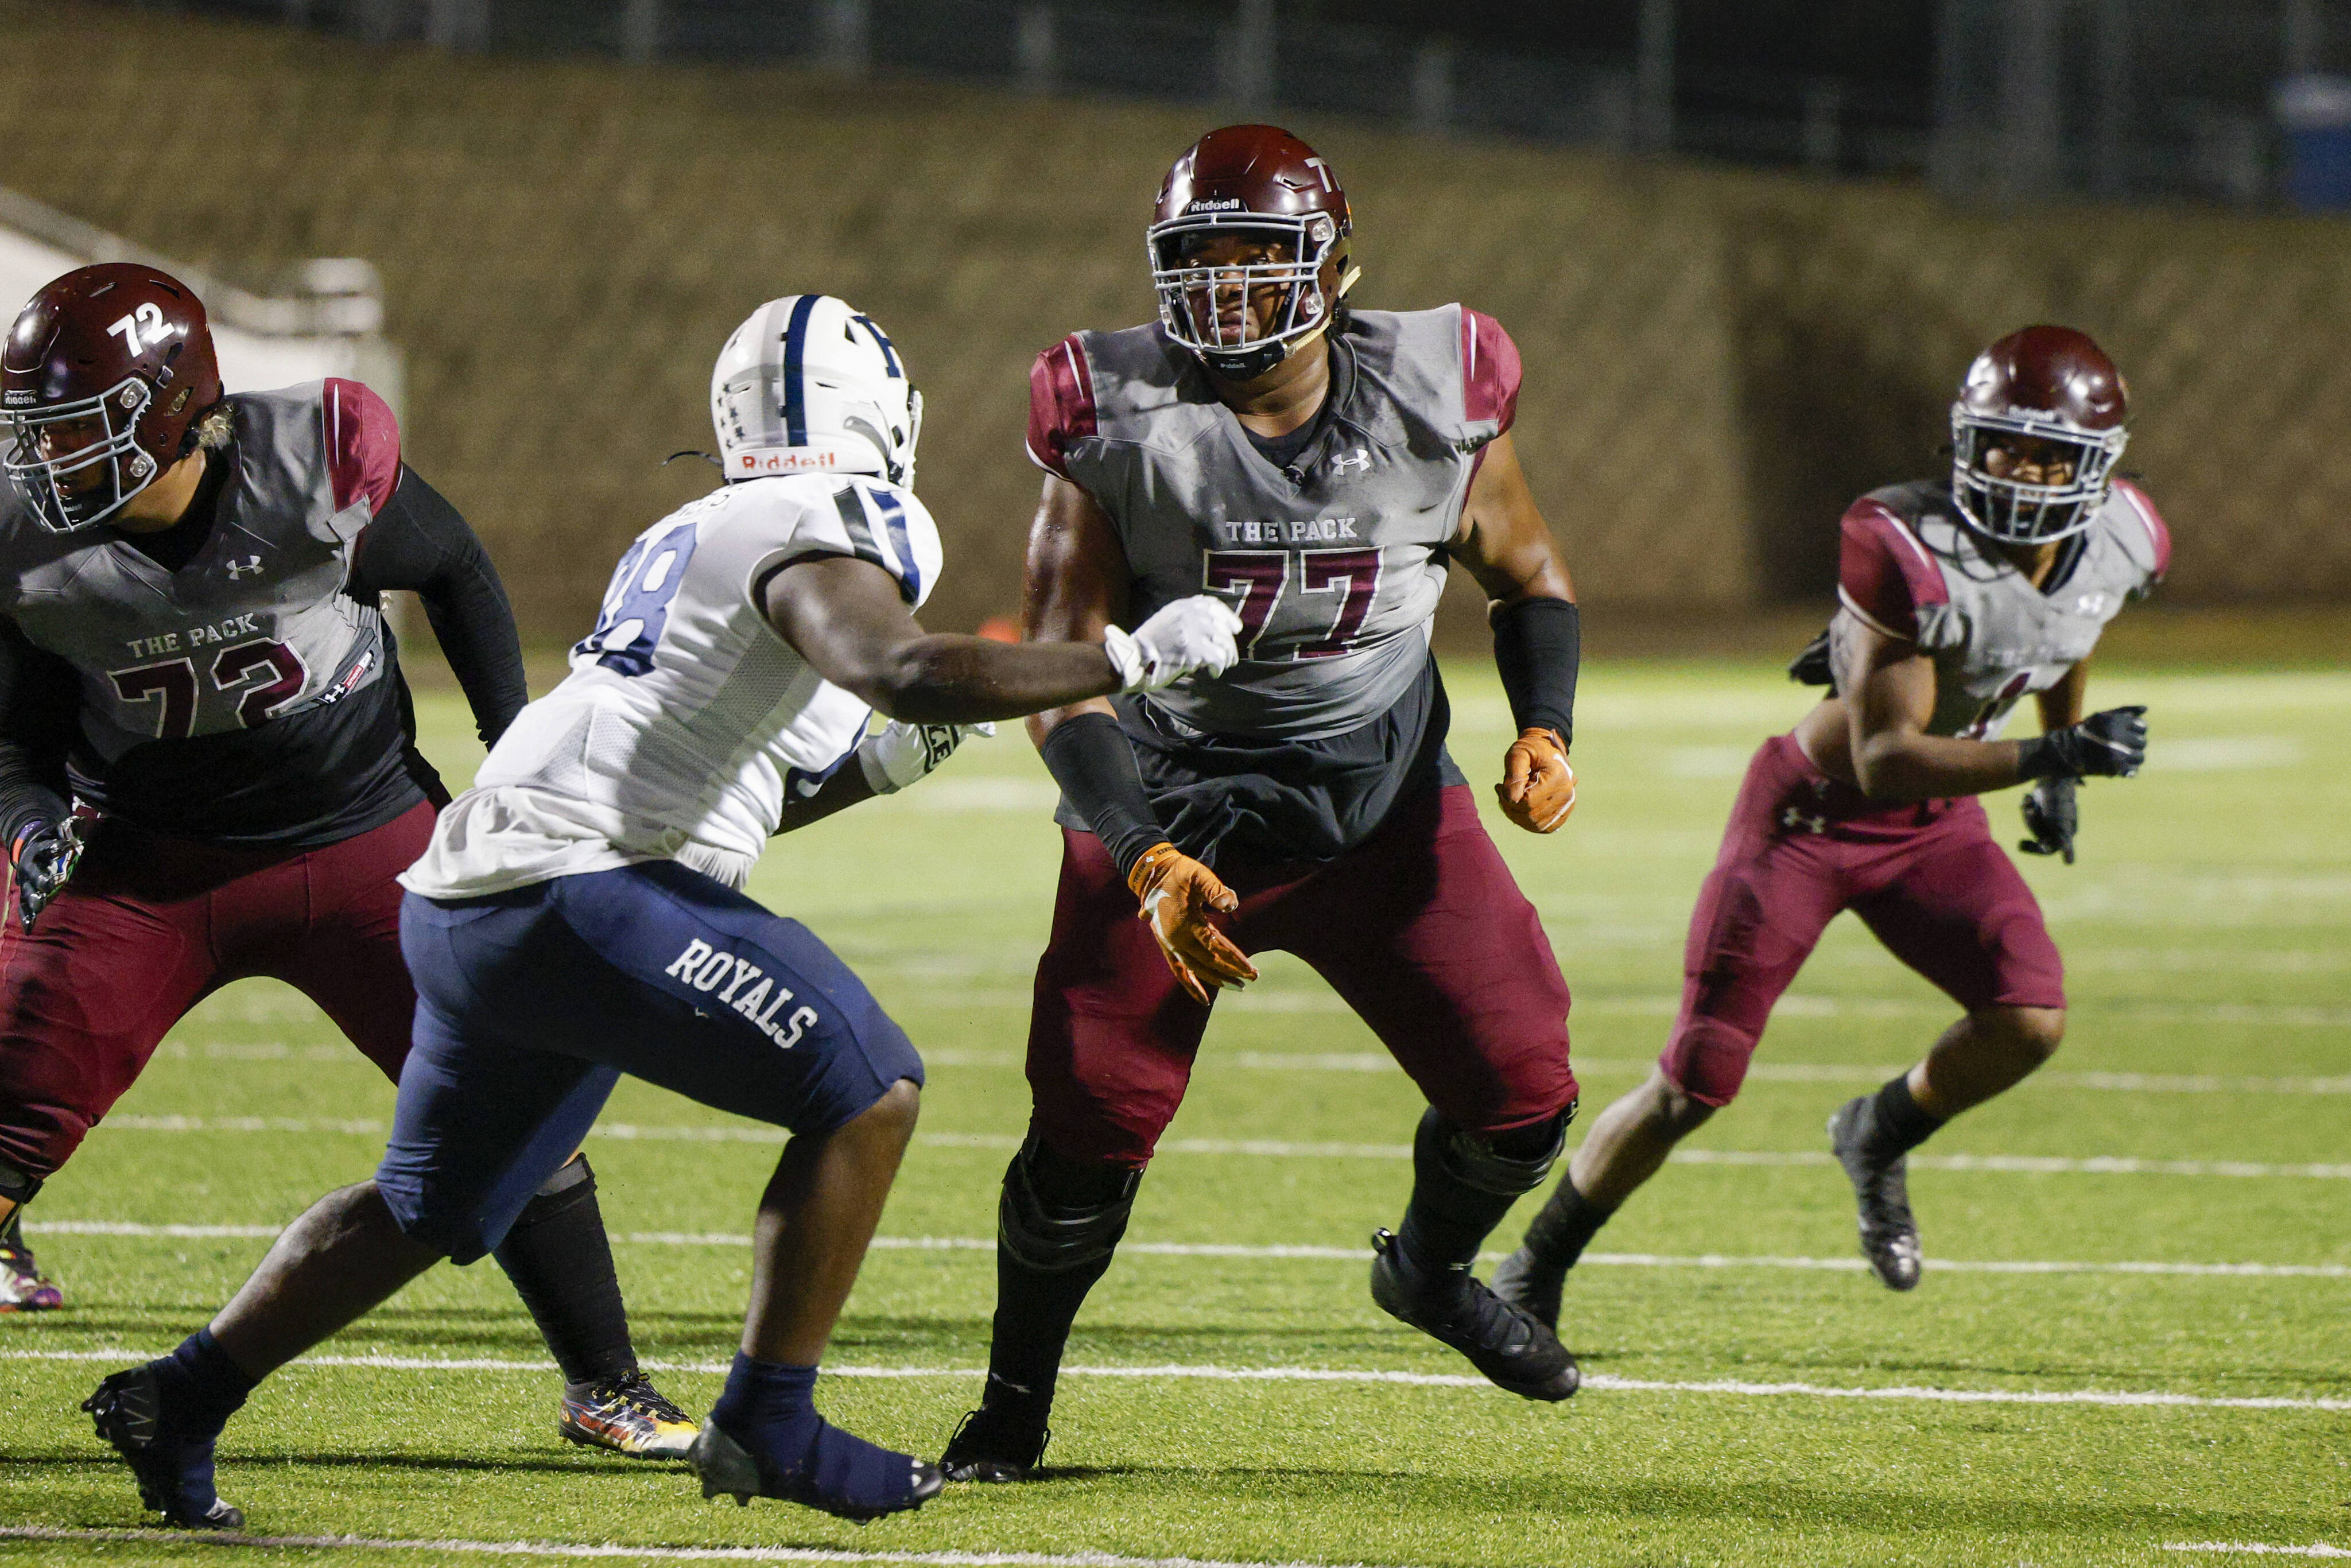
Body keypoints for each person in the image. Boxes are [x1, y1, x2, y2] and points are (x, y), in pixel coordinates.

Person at [81, 293, 1243, 1527]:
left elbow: (742, 789)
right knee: (868, 1089)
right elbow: (900, 672)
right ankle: (768, 1418)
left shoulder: (696, 528)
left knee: (425, 1203)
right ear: (877, 417)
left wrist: (879, 769)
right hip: (574, 890)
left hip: (474, 893)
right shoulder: (832, 516)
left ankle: (182, 1394)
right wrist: (1131, 655)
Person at [939, 125, 1589, 1485]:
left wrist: (1545, 727)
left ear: (1334, 265)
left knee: (1521, 1098)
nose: (1226, 295)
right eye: (1199, 263)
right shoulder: (1111, 418)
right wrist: (1141, 854)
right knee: (1084, 1133)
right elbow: (1062, 685)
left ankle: (1426, 1272)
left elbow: (1525, 575)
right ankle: (1012, 1406)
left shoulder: (1437, 388)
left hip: (1381, 810)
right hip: (1173, 812)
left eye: (1258, 260)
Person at [0, 262, 695, 1461]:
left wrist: (513, 756)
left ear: (172, 406)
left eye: (76, 430)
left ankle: (607, 1386)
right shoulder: (18, 536)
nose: (49, 462)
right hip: (146, 865)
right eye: (35, 434)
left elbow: (457, 567)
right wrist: (25, 823)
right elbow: (13, 734)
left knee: (513, 1094)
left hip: (362, 834)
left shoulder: (304, 464)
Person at [1491, 324, 2166, 1323]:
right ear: (1963, 442)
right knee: (1698, 1080)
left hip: (1936, 824)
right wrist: (2053, 755)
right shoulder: (1903, 539)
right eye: (2001, 448)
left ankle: (1880, 1132)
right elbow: (1885, 758)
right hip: (1812, 817)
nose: (2019, 474)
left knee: (2028, 1018)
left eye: (2044, 455)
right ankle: (1535, 1267)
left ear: (2095, 468)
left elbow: (2067, 631)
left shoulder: (2124, 538)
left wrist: (2057, 765)